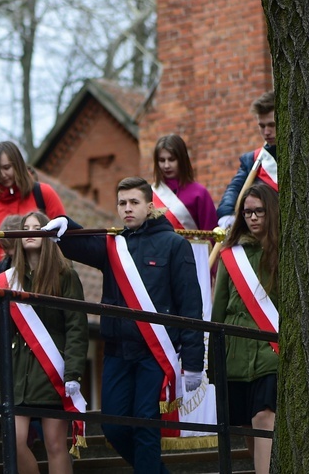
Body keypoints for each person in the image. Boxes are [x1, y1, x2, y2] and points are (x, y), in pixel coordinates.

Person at [43, 176, 205, 473]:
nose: (127, 209)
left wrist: (193, 361)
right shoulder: (114, 245)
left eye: (134, 202)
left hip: (153, 353)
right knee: (113, 426)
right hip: (117, 351)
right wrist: (65, 225)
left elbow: (191, 306)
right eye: (122, 203)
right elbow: (82, 245)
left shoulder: (174, 245)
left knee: (144, 425)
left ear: (150, 206)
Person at [0, 211, 88, 474]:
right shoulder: (8, 279)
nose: (30, 231)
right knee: (15, 442)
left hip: (53, 372)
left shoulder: (66, 275)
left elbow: (76, 327)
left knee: (54, 445)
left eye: (37, 227)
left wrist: (74, 372)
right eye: (25, 227)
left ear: (48, 233)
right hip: (19, 374)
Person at [211, 183, 278, 474]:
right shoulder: (231, 255)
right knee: (245, 425)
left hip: (270, 351)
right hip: (235, 354)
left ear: (271, 212)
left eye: (259, 211)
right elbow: (218, 310)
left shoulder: (284, 252)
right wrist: (214, 362)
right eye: (247, 212)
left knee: (264, 417)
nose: (252, 217)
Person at [0, 141, 65, 285]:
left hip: (42, 282)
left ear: (18, 164)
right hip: (1, 285)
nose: (2, 175)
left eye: (7, 168)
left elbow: (63, 237)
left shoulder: (43, 193)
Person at [217, 91, 277, 227]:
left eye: (272, 125)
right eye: (262, 126)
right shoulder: (252, 160)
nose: (266, 132)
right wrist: (227, 214)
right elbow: (234, 189)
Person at [152, 133, 217, 231]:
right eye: (162, 160)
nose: (166, 165)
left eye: (171, 159)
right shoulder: (151, 193)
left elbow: (211, 234)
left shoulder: (199, 193)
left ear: (182, 159)